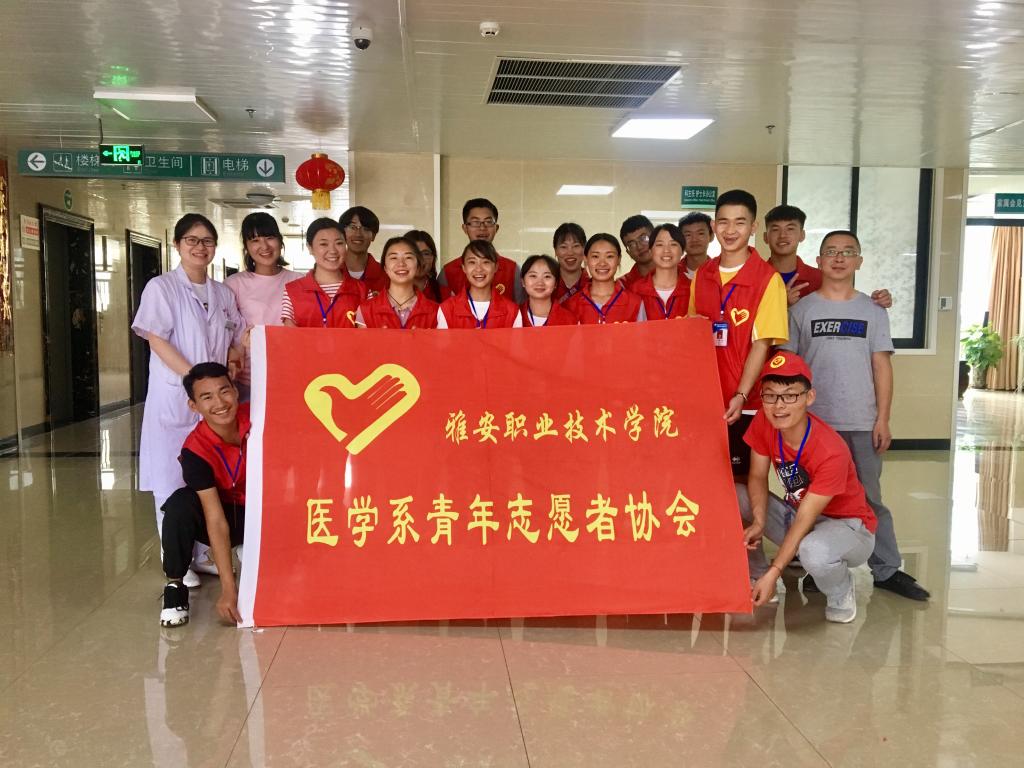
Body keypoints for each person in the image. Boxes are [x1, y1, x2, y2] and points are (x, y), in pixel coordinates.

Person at [783, 230, 930, 601]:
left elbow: (882, 367)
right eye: (831, 252)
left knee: (870, 498)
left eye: (847, 252)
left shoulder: (873, 310)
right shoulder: (801, 310)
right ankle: (821, 565)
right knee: (814, 499)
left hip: (861, 422)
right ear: (818, 261)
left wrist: (883, 418)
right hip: (814, 425)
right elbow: (790, 367)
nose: (839, 258)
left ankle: (887, 569)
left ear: (859, 261)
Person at [131, 213, 245, 588]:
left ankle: (205, 554)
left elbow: (235, 337)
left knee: (206, 477)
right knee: (170, 478)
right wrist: (195, 381)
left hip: (211, 404)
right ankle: (176, 561)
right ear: (178, 245)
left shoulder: (222, 294)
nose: (200, 247)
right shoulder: (162, 288)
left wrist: (233, 359)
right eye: (192, 240)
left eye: (207, 241)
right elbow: (156, 339)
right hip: (175, 400)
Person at [741, 351, 878, 623]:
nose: (779, 406)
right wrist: (758, 521)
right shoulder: (764, 421)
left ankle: (840, 589)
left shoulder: (831, 450)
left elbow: (806, 517)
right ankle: (757, 574)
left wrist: (776, 572)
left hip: (849, 528)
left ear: (809, 397)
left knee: (813, 551)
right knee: (736, 495)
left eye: (790, 395)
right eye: (770, 396)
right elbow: (756, 476)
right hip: (799, 513)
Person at [688, 189, 788, 478]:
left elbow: (761, 344)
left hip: (745, 404)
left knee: (743, 482)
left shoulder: (768, 280)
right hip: (704, 400)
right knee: (704, 479)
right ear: (714, 226)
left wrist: (741, 395)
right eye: (723, 222)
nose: (730, 230)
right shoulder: (703, 275)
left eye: (740, 222)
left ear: (753, 227)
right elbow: (692, 335)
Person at [159, 363, 249, 628]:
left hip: (263, 512)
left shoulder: (259, 419)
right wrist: (229, 590)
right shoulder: (195, 451)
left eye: (224, 391)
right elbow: (215, 519)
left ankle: (252, 548)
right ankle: (175, 586)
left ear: (236, 391)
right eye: (207, 397)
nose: (220, 403)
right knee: (180, 504)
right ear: (194, 406)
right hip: (223, 515)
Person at [224, 212, 303, 399]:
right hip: (247, 381)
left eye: (269, 238)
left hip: (291, 377)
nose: (264, 246)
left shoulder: (299, 281)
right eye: (255, 240)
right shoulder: (234, 284)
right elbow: (225, 331)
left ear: (280, 241)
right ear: (246, 247)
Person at [764, 204, 894, 309]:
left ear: (802, 235)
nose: (782, 235)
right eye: (775, 229)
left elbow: (845, 306)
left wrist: (876, 301)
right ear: (765, 237)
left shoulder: (821, 278)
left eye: (790, 229)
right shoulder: (756, 276)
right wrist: (781, 306)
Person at [282, 218, 369, 328]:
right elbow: (289, 336)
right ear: (310, 248)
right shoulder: (292, 291)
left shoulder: (363, 291)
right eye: (323, 244)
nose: (333, 251)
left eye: (339, 243)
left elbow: (369, 335)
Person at [440, 198, 520, 299]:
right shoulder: (448, 272)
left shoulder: (512, 270)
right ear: (465, 228)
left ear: (496, 228)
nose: (482, 228)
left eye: (488, 222)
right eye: (475, 222)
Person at [354, 236, 440, 329]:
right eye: (394, 258)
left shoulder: (436, 312)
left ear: (418, 265)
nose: (401, 263)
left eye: (408, 257)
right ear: (385, 267)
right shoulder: (366, 310)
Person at [437, 240, 522, 328]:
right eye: (472, 262)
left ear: (496, 267)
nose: (479, 269)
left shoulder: (512, 312)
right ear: (464, 268)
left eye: (486, 262)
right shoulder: (446, 310)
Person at [567, 233, 645, 324]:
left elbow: (644, 333)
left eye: (609, 256)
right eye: (595, 256)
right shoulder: (572, 305)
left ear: (619, 259)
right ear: (586, 259)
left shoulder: (635, 303)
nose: (602, 263)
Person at [631, 224, 690, 320]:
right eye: (659, 245)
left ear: (682, 251)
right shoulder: (636, 290)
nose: (666, 250)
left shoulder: (693, 288)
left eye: (673, 244)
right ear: (650, 251)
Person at [339, 206, 388, 293]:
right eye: (353, 227)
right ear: (342, 233)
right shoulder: (331, 271)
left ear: (373, 236)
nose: (358, 234)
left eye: (366, 229)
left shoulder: (386, 275)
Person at [519, 254, 578, 327]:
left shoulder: (570, 320)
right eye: (533, 276)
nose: (540, 282)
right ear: (523, 282)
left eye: (547, 276)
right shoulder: (514, 315)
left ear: (556, 283)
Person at [405, 229, 448, 303]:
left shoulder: (445, 294)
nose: (419, 259)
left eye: (425, 254)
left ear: (433, 258)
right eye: (413, 253)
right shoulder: (390, 293)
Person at [552, 222, 590, 302]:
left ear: (584, 249)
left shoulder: (593, 286)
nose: (570, 253)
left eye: (576, 246)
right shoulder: (546, 286)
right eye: (563, 247)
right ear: (555, 251)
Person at [619, 214, 655, 289]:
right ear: (628, 252)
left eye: (643, 238)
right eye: (631, 244)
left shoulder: (678, 274)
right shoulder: (623, 286)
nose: (639, 247)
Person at [679, 211, 714, 279]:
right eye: (688, 235)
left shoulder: (721, 271)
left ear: (711, 236)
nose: (694, 239)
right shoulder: (672, 271)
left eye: (700, 233)